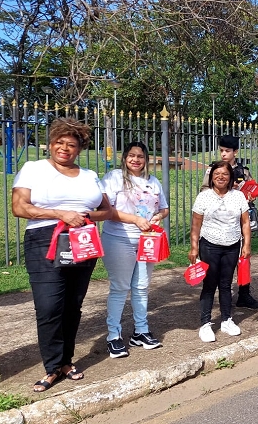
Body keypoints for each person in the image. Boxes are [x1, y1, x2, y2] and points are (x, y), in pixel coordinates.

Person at [11, 117, 112, 392]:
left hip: (83, 241)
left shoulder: (90, 176)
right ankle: (52, 366)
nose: (64, 148)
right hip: (45, 239)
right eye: (60, 142)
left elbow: (108, 211)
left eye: (71, 144)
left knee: (72, 304)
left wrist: (84, 216)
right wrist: (60, 213)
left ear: (80, 148)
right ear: (51, 143)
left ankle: (66, 361)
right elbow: (19, 207)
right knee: (48, 307)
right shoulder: (33, 169)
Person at [100, 141, 170, 358]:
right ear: (124, 157)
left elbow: (164, 208)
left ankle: (140, 331)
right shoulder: (114, 178)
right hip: (119, 238)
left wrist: (158, 216)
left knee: (141, 286)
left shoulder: (153, 181)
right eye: (131, 155)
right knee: (120, 287)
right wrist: (135, 220)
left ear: (146, 159)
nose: (136, 160)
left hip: (147, 241)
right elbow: (105, 210)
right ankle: (114, 335)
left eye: (140, 156)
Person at [190, 160, 251, 342]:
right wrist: (194, 247)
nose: (220, 177)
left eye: (224, 174)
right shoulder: (204, 197)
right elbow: (196, 224)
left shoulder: (238, 196)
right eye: (217, 174)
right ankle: (205, 323)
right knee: (209, 284)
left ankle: (226, 319)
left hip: (232, 245)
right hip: (209, 245)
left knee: (225, 284)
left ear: (230, 176)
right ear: (211, 177)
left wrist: (246, 244)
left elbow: (245, 222)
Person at [201, 135, 258, 310]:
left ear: (235, 152)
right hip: (219, 221)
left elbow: (251, 192)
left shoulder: (243, 171)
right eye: (221, 151)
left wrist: (249, 195)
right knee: (218, 260)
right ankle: (217, 294)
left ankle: (244, 293)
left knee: (244, 257)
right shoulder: (214, 169)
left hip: (239, 220)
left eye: (227, 151)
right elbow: (204, 190)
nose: (223, 154)